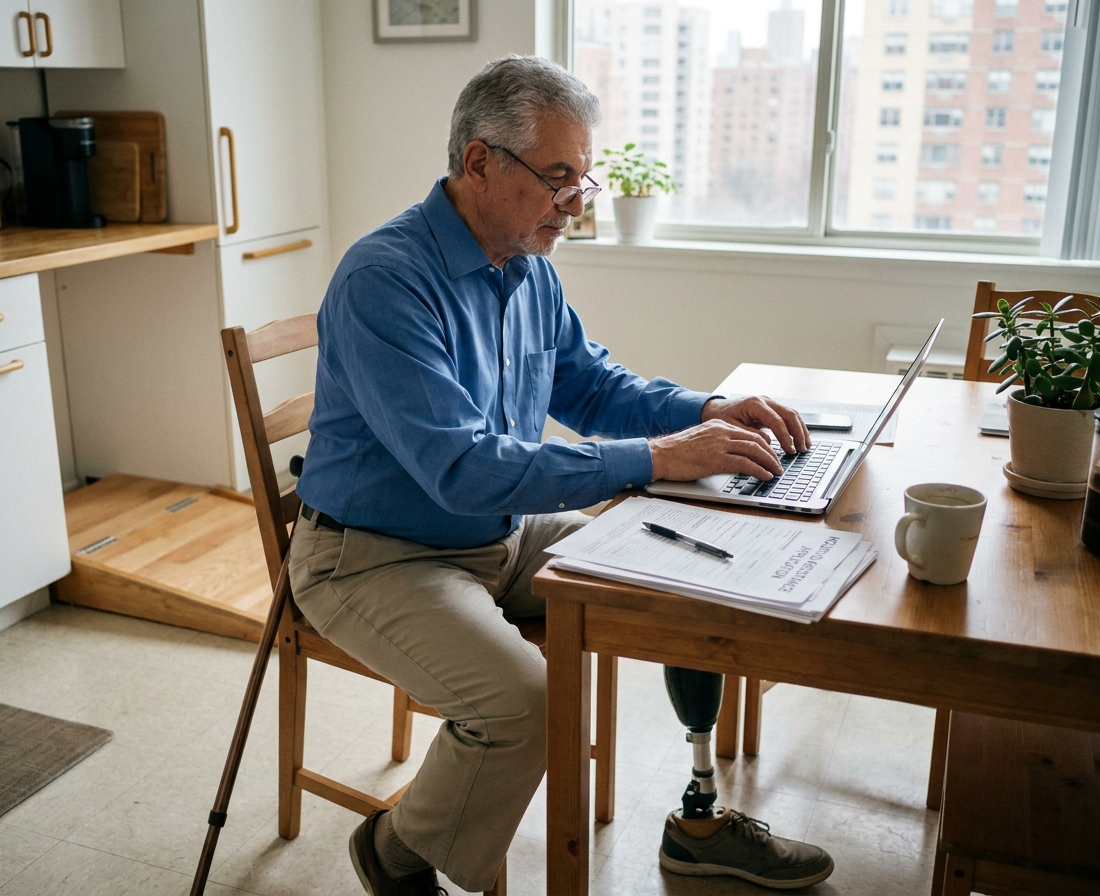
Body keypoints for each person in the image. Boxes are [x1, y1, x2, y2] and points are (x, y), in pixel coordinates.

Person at [289, 54, 835, 895]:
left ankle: (698, 821)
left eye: (582, 179)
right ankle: (394, 852)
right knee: (526, 704)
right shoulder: (385, 280)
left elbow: (590, 387)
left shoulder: (527, 265)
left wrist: (707, 409)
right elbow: (463, 469)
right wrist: (658, 458)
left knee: (691, 583)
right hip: (373, 556)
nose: (576, 203)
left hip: (498, 534)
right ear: (479, 162)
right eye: (559, 178)